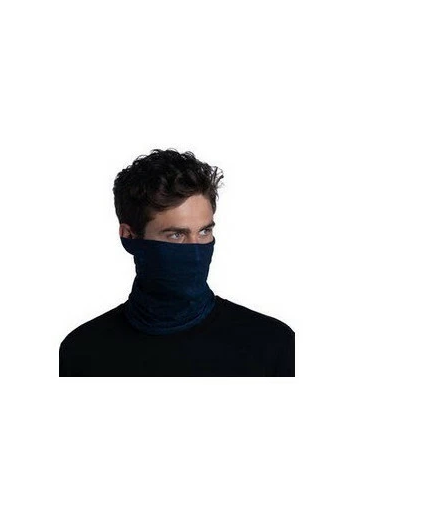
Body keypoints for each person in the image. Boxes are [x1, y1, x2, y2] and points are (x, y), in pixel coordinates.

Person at [59, 148, 295, 376]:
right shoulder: (82, 353)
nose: (196, 252)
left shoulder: (272, 345)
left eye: (204, 232)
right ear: (129, 236)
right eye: (176, 235)